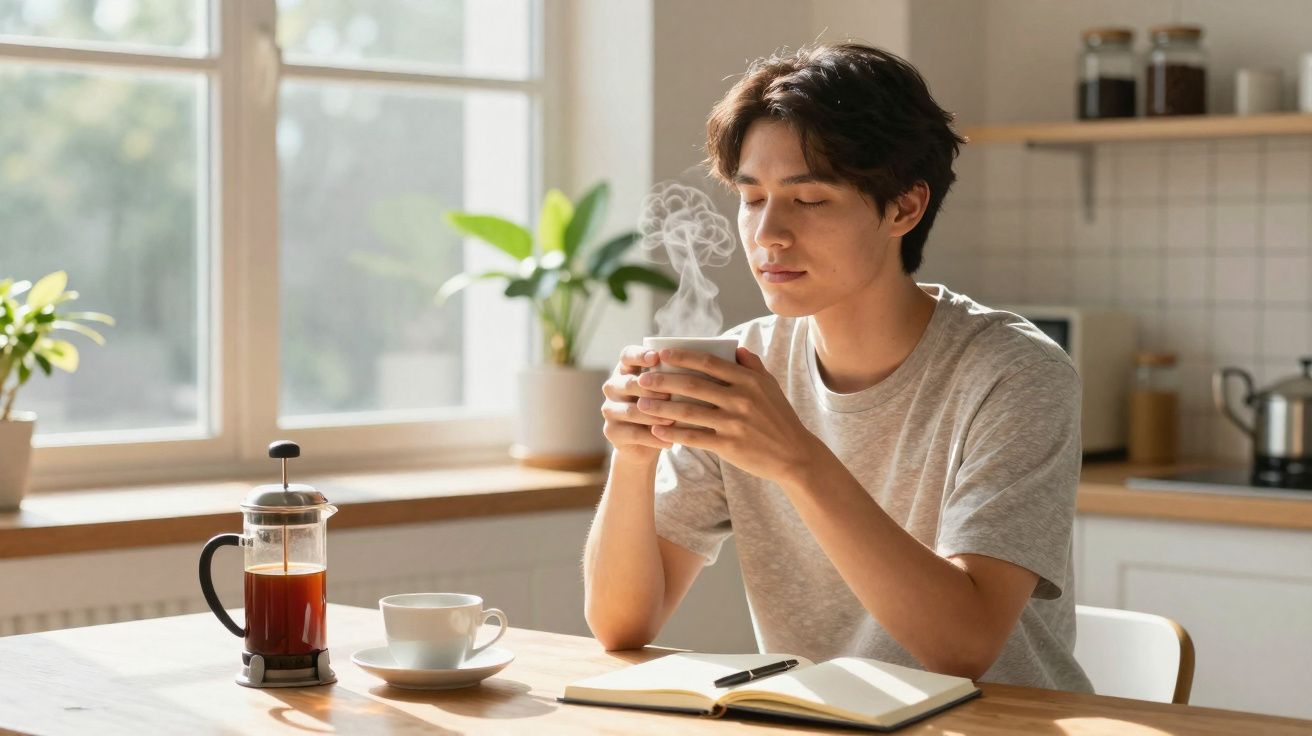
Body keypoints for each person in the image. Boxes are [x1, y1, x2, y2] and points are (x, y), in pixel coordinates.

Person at [583, 42, 1093, 692]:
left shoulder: (1015, 374)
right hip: (829, 720)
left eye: (809, 200)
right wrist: (634, 458)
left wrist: (796, 460)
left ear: (904, 208)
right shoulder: (747, 367)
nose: (767, 233)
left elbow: (963, 646)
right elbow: (621, 624)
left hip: (996, 725)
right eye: (752, 198)